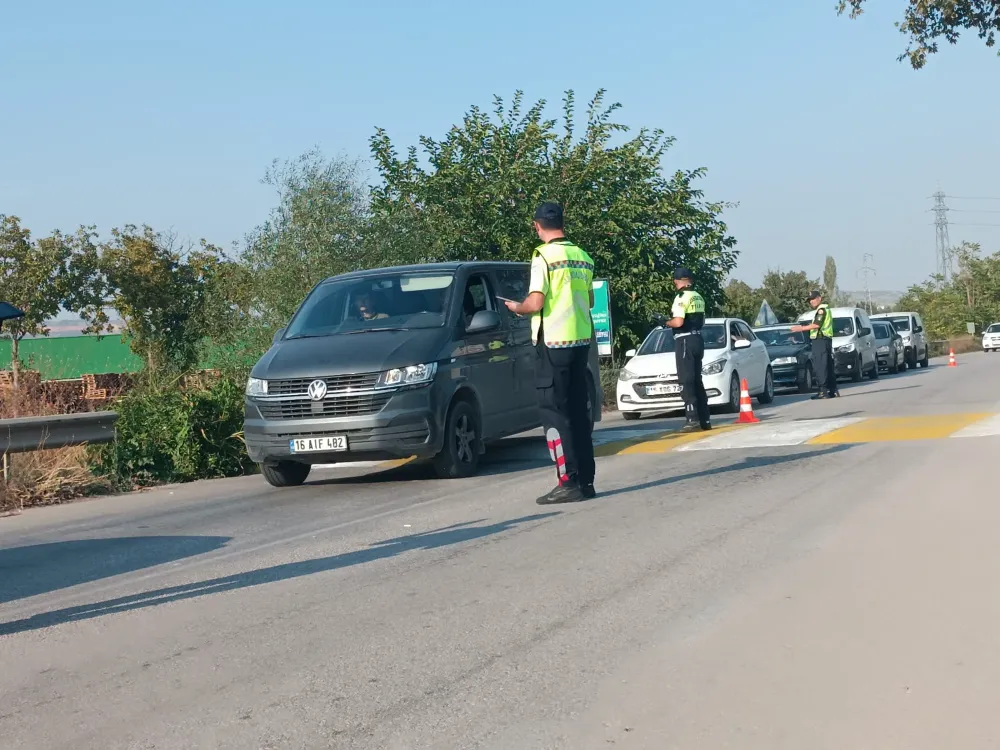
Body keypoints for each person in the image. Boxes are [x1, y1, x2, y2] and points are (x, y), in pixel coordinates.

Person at [504, 202, 596, 504]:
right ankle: (586, 480)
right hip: (581, 342)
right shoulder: (582, 256)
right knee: (578, 413)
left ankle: (567, 481)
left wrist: (517, 308)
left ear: (537, 226)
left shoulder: (542, 255)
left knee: (554, 413)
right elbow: (590, 300)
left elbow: (536, 302)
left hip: (553, 344)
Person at [662, 268, 712, 432]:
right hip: (698, 339)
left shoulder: (681, 297)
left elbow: (678, 322)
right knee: (697, 380)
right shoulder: (698, 296)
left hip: (685, 340)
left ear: (678, 281)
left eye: (675, 282)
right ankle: (705, 419)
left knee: (686, 380)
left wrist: (664, 322)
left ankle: (692, 419)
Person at [791, 290, 838, 399]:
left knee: (820, 365)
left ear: (819, 298)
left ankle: (823, 391)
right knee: (827, 365)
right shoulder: (824, 309)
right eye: (810, 300)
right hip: (824, 340)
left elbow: (816, 325)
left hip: (820, 340)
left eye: (813, 299)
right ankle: (832, 389)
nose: (811, 301)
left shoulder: (821, 310)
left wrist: (801, 328)